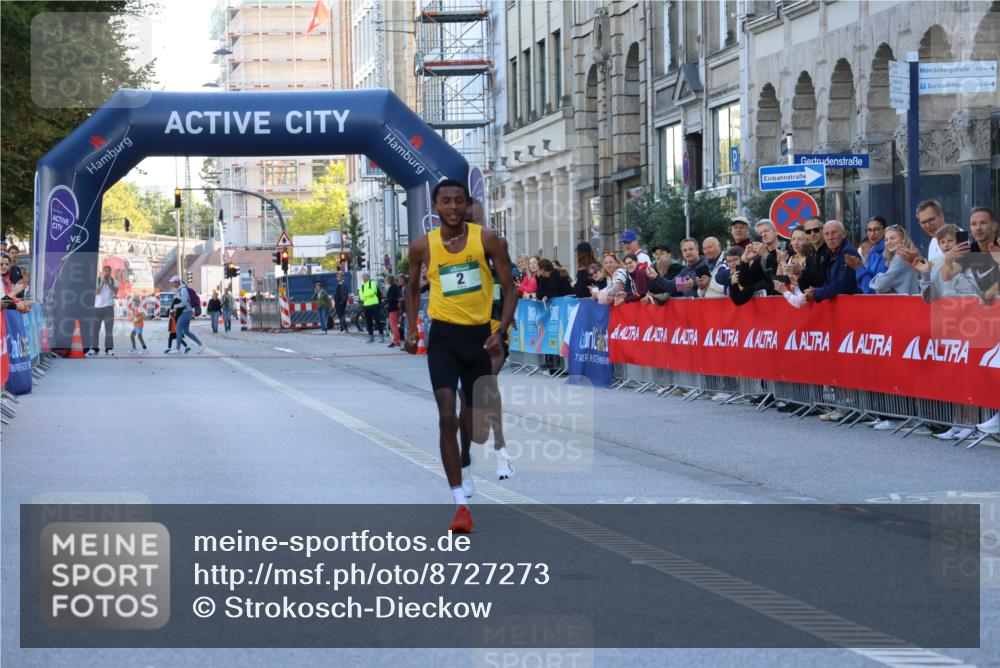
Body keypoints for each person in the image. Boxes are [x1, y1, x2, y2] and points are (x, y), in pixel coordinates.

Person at [404, 179, 516, 533]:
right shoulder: (423, 246)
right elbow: (410, 289)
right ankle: (459, 504)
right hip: (443, 338)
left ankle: (466, 459)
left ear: (466, 205)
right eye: (445, 201)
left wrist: (500, 332)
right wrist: (411, 329)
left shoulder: (487, 240)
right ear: (435, 207)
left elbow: (511, 289)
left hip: (479, 338)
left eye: (458, 201)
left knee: (471, 419)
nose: (452, 207)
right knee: (445, 414)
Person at [940, 206, 999, 301]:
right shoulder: (968, 251)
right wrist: (948, 261)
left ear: (994, 226)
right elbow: (947, 276)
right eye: (974, 224)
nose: (978, 228)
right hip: (981, 310)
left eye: (983, 223)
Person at [803, 220, 860, 303]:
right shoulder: (830, 253)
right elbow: (829, 281)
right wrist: (817, 290)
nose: (830, 237)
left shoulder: (847, 253)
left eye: (834, 233)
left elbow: (843, 284)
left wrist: (816, 293)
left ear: (844, 234)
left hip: (852, 305)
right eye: (827, 234)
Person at [869, 224, 920, 295]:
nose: (888, 242)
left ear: (903, 238)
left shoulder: (901, 258)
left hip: (904, 303)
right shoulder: (906, 254)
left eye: (892, 238)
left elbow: (880, 285)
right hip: (910, 301)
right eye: (886, 240)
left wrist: (879, 275)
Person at [846, 216, 888, 293]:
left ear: (884, 231)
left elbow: (874, 289)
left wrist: (858, 267)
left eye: (876, 230)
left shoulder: (888, 252)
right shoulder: (872, 252)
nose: (872, 234)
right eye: (869, 230)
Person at [168, 275, 204, 354]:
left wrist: (175, 306)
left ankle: (177, 349)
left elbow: (184, 303)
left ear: (177, 282)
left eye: (173, 282)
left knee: (178, 329)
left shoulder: (183, 290)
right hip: (187, 312)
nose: (172, 284)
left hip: (186, 312)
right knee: (186, 331)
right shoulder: (180, 290)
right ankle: (201, 345)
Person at [89, 265, 117, 356]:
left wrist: (108, 283)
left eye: (108, 271)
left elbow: (115, 292)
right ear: (102, 272)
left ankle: (109, 348)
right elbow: (96, 292)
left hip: (108, 308)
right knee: (95, 329)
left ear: (110, 272)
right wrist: (102, 283)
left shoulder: (113, 281)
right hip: (97, 308)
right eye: (105, 270)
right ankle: (94, 348)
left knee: (109, 330)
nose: (106, 272)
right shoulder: (97, 280)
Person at [915, 199, 947, 265]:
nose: (928, 225)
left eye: (931, 219)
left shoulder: (960, 235)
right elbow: (934, 274)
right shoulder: (933, 241)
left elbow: (965, 271)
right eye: (923, 222)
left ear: (941, 216)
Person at [358, 271, 385, 343]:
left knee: (377, 320)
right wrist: (368, 296)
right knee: (368, 322)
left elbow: (373, 292)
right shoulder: (362, 287)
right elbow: (361, 297)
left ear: (368, 277)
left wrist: (365, 296)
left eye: (365, 276)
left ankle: (381, 336)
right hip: (366, 305)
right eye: (362, 276)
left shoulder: (372, 283)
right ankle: (371, 337)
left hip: (374, 304)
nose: (363, 278)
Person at [386, 274, 405, 347]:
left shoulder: (392, 288)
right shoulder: (396, 287)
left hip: (393, 308)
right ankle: (399, 339)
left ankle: (396, 341)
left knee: (393, 325)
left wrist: (386, 300)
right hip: (398, 308)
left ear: (388, 280)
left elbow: (391, 298)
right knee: (396, 325)